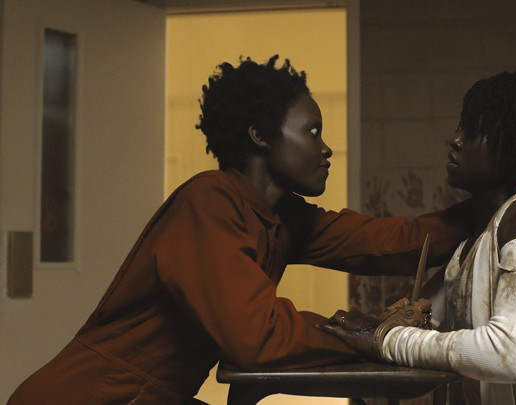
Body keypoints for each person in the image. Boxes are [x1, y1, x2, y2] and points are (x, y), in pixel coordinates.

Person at [9, 56, 472, 404]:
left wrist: (494, 205)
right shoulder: (208, 202)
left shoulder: (284, 216)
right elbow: (256, 335)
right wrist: (372, 333)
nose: (326, 148)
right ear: (260, 136)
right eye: (312, 132)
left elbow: (393, 242)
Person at [324, 72, 516, 404]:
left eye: (473, 132)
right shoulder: (476, 239)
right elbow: (421, 319)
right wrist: (369, 332)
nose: (456, 140)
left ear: (515, 145)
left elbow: (511, 355)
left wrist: (384, 340)